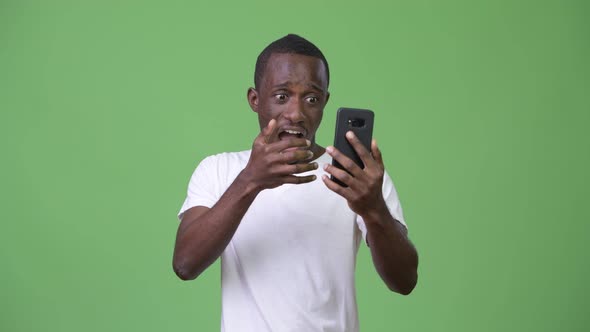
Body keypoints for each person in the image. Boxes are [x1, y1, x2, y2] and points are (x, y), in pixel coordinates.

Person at [173, 34, 418, 332]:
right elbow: (185, 264)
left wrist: (373, 208)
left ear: (326, 102)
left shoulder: (356, 177)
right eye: (281, 96)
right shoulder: (219, 170)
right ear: (255, 99)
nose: (296, 113)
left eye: (312, 99)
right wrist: (251, 179)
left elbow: (404, 280)